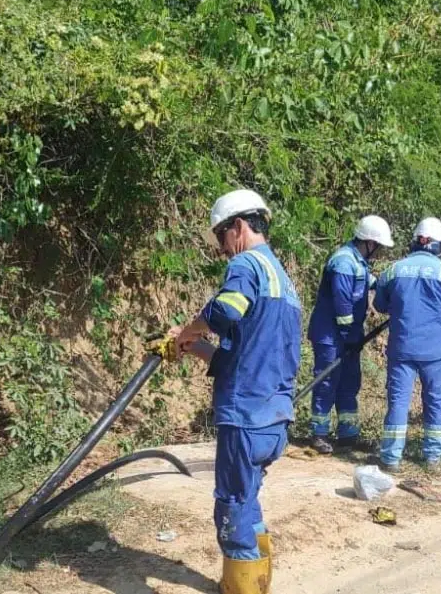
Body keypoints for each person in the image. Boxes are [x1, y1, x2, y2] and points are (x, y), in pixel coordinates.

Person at [171, 189, 301, 594]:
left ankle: (241, 588)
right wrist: (195, 346)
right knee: (248, 499)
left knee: (231, 505)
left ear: (239, 227)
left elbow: (226, 310)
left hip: (245, 415)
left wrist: (188, 328)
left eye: (221, 237)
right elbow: (248, 356)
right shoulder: (284, 282)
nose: (222, 249)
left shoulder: (247, 263)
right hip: (274, 419)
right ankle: (258, 583)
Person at [372, 217, 441, 472]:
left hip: (401, 348)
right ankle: (432, 457)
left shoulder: (393, 270)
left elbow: (380, 305)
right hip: (434, 351)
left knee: (398, 402)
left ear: (415, 241)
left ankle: (391, 458)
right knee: (436, 401)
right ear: (440, 244)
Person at [306, 215, 394, 455]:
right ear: (369, 242)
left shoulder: (359, 263)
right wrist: (348, 335)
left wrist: (393, 287)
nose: (380, 252)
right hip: (330, 336)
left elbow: (372, 283)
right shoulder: (344, 262)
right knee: (326, 382)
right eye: (379, 247)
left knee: (349, 382)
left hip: (350, 336)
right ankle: (319, 434)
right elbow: (343, 304)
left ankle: (348, 435)